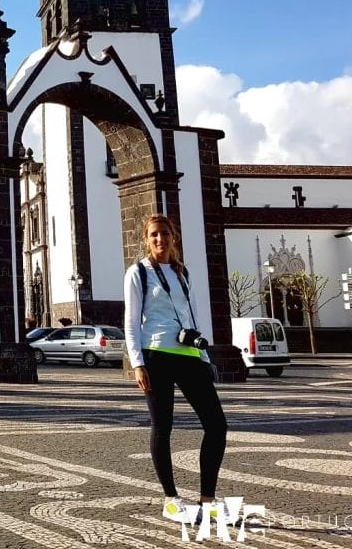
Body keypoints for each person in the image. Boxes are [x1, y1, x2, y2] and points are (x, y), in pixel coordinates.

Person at [123, 214, 228, 524]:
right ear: (146, 239)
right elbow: (131, 321)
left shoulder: (184, 273)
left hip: (189, 354)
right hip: (156, 355)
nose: (160, 239)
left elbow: (193, 315)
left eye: (165, 234)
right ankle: (171, 499)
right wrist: (137, 363)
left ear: (174, 237)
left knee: (217, 425)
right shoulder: (138, 273)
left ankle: (208, 500)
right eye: (154, 234)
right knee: (163, 427)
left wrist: (204, 358)